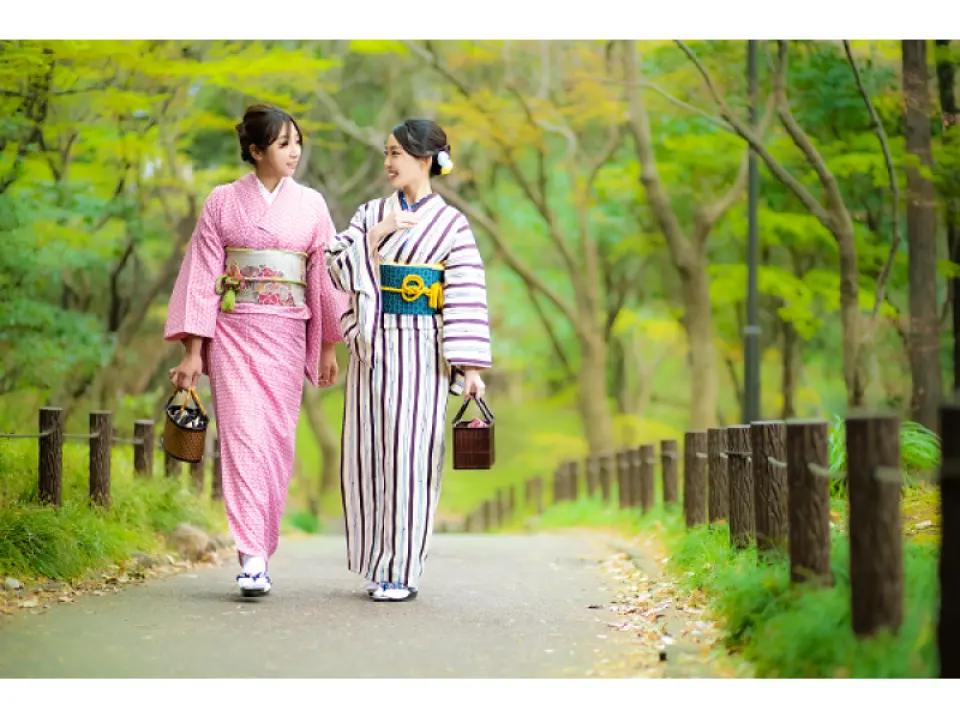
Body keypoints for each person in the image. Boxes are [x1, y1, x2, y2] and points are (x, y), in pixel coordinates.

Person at [165, 104, 347, 597]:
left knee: (276, 442)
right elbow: (202, 277)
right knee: (243, 436)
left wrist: (329, 344)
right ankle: (251, 555)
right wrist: (192, 352)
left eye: (297, 142)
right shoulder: (222, 202)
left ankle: (262, 545)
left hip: (287, 334)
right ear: (255, 150)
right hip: (234, 333)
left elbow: (323, 278)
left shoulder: (312, 205)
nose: (294, 151)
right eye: (284, 143)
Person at [325, 119, 492, 602]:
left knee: (411, 457)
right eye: (387, 152)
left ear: (425, 159)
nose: (388, 162)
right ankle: (379, 564)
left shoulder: (453, 224)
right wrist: (376, 234)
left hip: (423, 349)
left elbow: (464, 294)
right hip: (373, 348)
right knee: (370, 455)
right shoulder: (370, 213)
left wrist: (471, 368)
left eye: (397, 153)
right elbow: (336, 269)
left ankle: (403, 570)